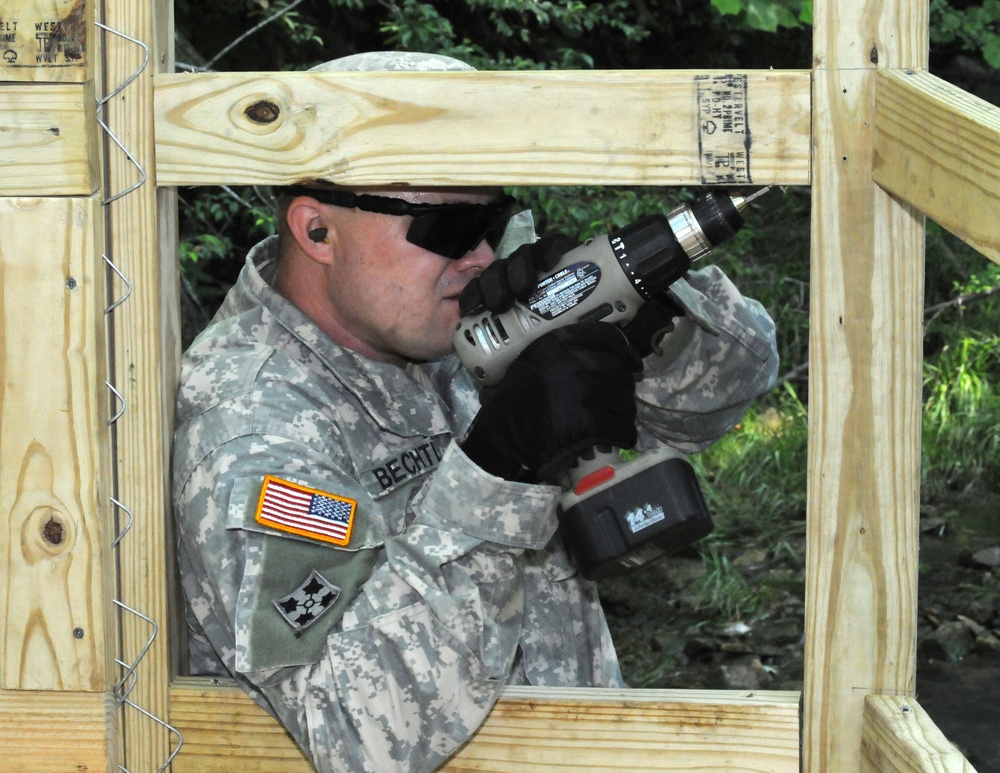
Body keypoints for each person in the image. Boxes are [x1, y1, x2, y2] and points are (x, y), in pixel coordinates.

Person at [172, 51, 779, 773]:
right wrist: (497, 468)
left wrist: (648, 323)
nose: (482, 255)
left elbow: (725, 394)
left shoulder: (449, 317)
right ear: (317, 231)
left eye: (493, 218)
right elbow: (355, 733)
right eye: (450, 231)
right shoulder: (251, 421)